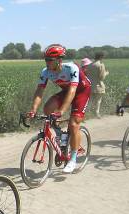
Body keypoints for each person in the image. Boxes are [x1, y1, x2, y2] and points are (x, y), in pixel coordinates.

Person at [27, 44, 92, 174]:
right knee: (47, 109)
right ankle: (60, 134)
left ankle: (73, 159)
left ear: (59, 60)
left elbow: (73, 90)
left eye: (50, 60)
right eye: (46, 59)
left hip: (81, 91)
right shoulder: (45, 72)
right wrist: (33, 109)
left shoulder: (71, 68)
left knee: (74, 124)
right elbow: (39, 91)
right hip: (67, 91)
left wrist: (61, 110)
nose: (47, 62)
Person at [84, 52, 108, 119]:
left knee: (90, 101)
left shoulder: (89, 65)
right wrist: (106, 73)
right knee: (98, 101)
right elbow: (102, 77)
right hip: (99, 85)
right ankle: (97, 113)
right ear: (101, 57)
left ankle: (86, 113)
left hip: (90, 85)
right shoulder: (101, 65)